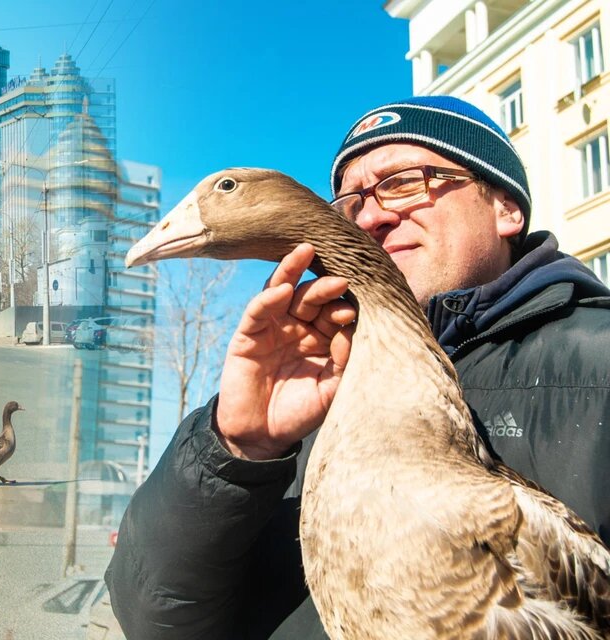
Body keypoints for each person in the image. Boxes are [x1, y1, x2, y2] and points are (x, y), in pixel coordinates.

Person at [105, 96, 610, 639]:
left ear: (506, 209)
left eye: (404, 181)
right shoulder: (307, 391)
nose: (372, 215)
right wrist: (238, 448)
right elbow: (158, 622)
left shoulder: (596, 365)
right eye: (350, 202)